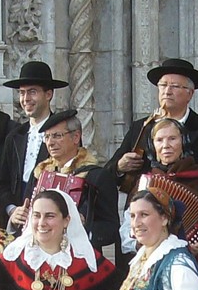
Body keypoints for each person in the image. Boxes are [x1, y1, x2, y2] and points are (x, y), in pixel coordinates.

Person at [108, 58, 198, 195]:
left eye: (175, 86)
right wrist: (120, 167)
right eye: (163, 85)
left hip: (193, 203)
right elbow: (107, 173)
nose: (167, 91)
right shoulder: (141, 127)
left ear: (190, 93)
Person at [9, 109, 120, 255]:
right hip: (38, 254)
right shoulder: (39, 174)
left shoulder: (96, 176)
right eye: (47, 137)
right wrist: (17, 218)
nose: (50, 142)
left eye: (57, 136)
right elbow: (27, 213)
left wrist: (84, 227)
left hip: (80, 257)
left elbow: (111, 228)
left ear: (76, 137)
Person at [134, 118, 198, 271]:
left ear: (184, 142)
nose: (165, 145)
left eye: (172, 139)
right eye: (159, 140)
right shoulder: (144, 183)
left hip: (192, 263)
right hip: (151, 261)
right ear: (152, 146)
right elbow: (129, 227)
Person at [1, 61, 68, 208]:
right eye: (22, 92)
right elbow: (3, 183)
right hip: (18, 213)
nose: (26, 99)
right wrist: (12, 210)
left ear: (48, 94)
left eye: (32, 92)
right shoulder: (14, 136)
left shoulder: (65, 134)